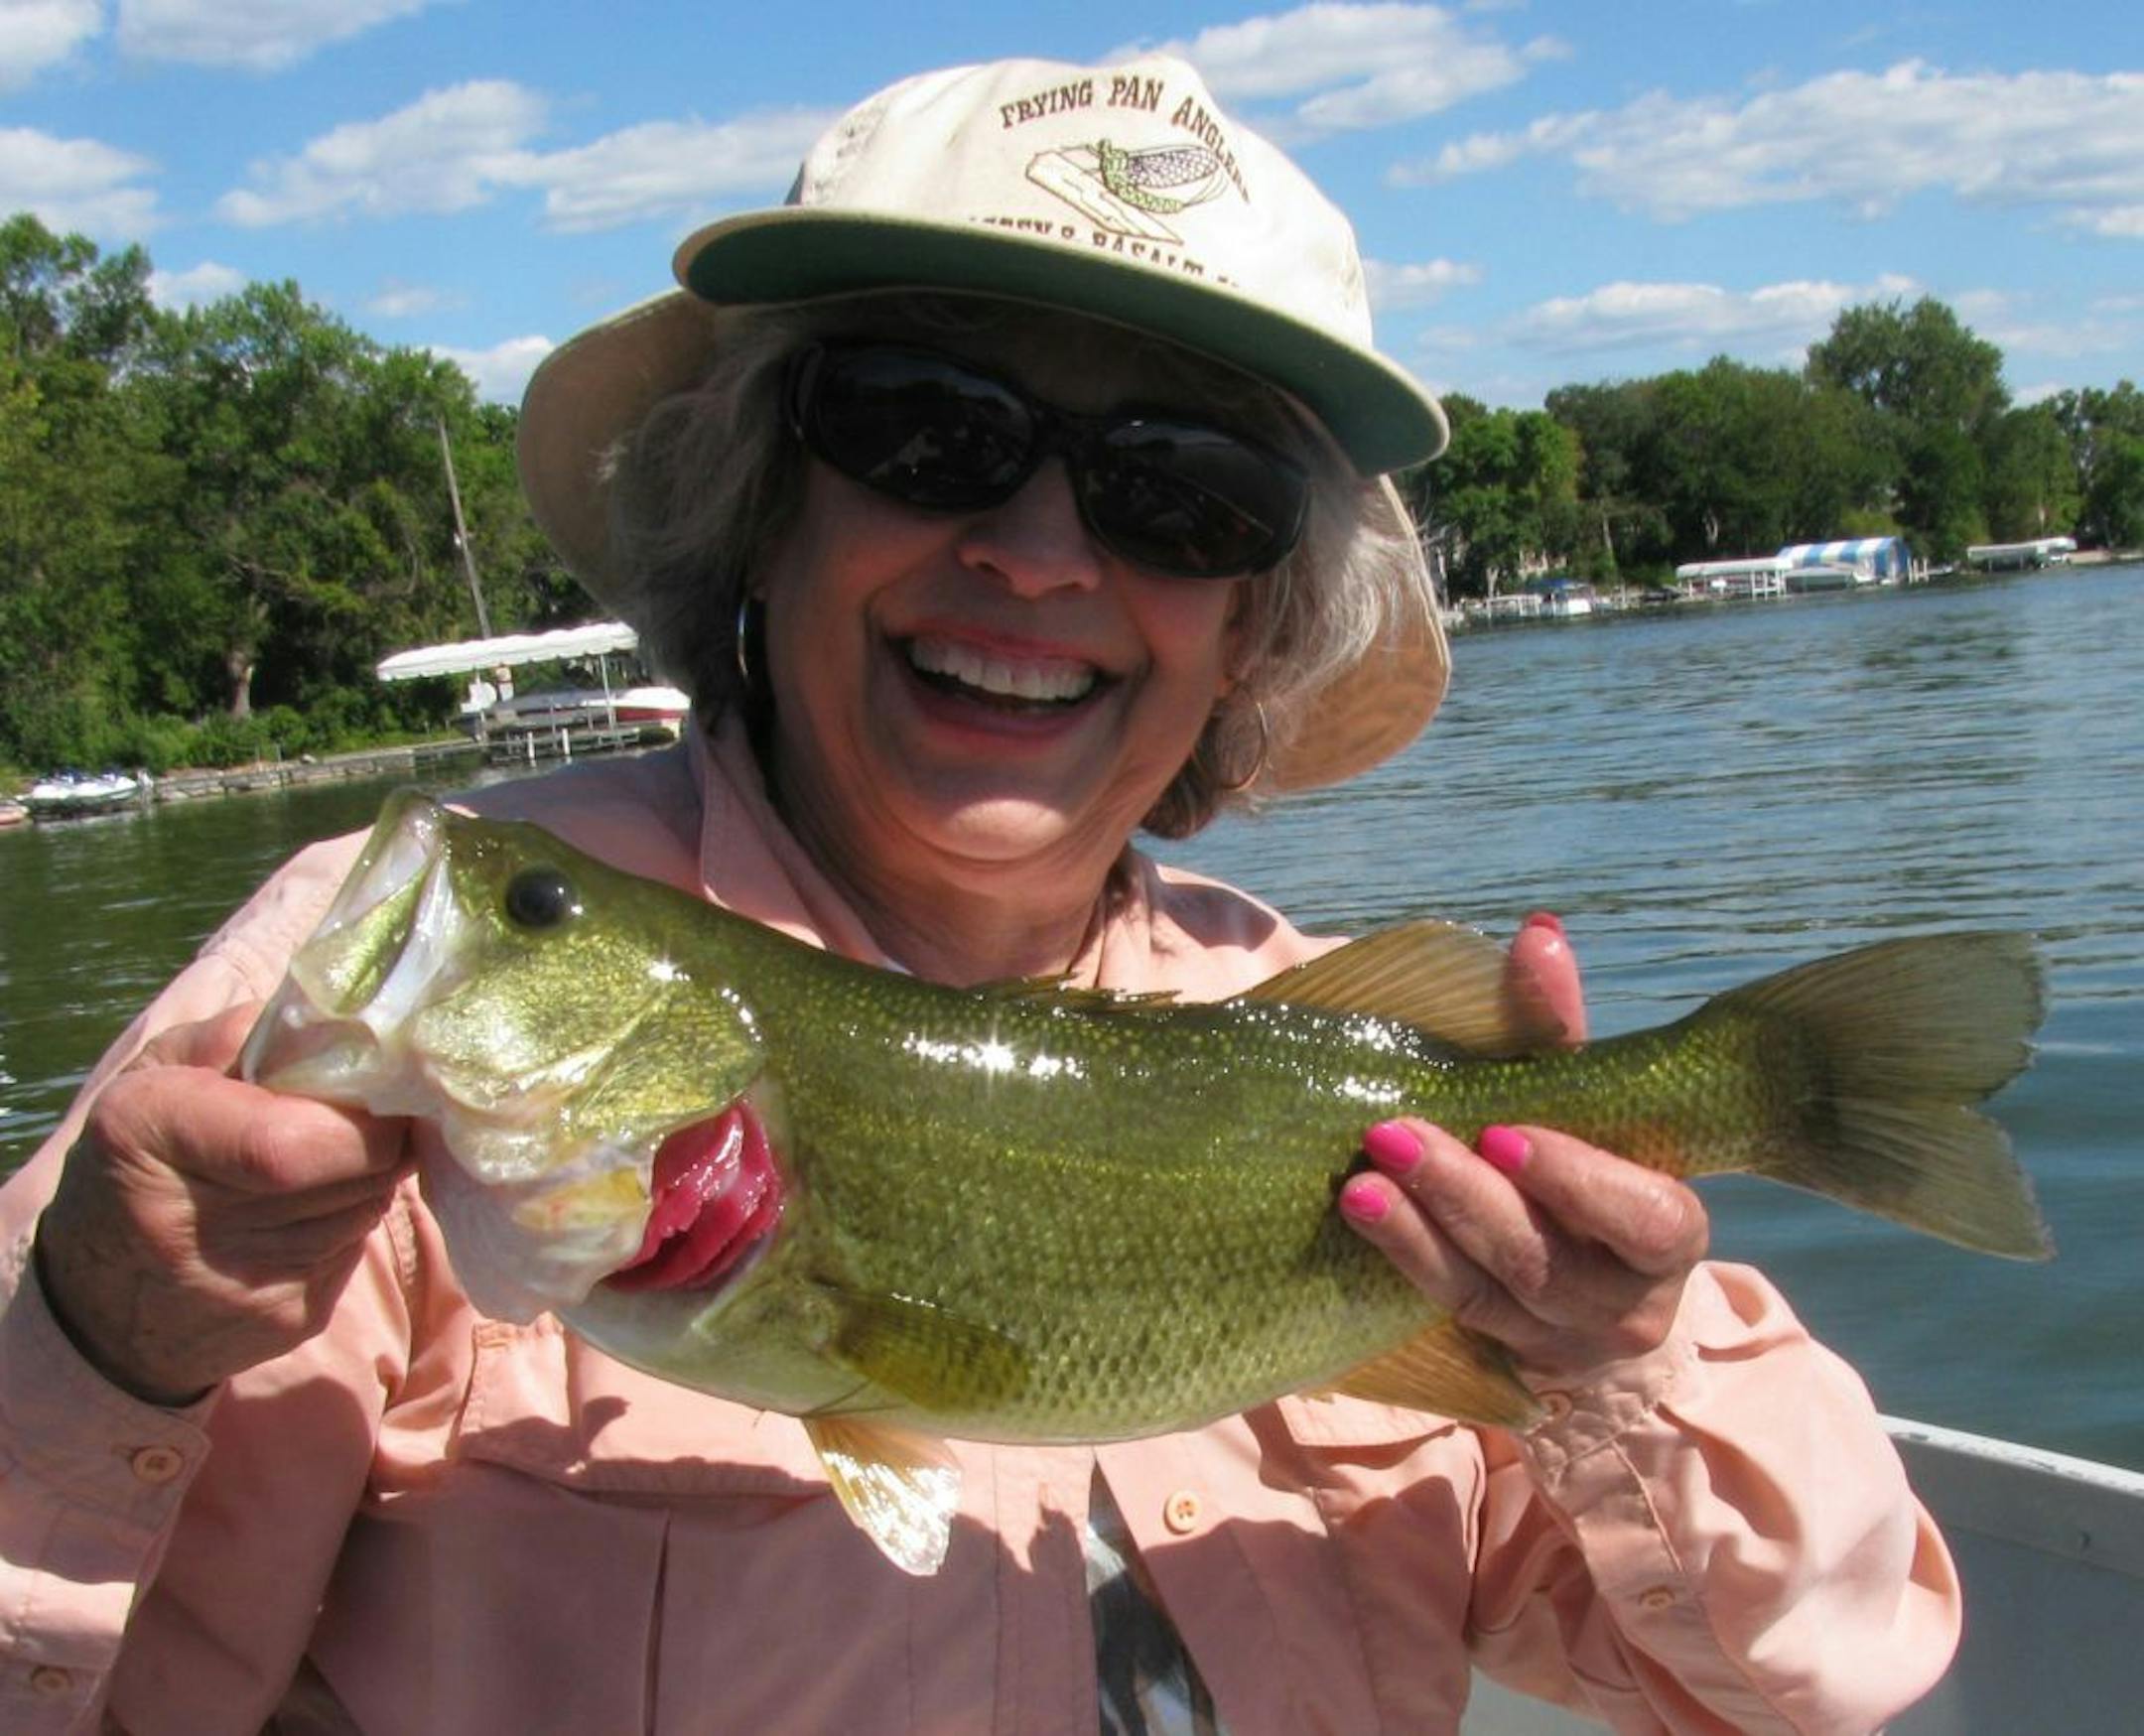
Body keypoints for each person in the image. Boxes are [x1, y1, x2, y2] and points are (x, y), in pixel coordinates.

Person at [0, 54, 1958, 1734]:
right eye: (926, 429)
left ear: (1252, 624)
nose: (1035, 550)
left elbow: (1815, 1679)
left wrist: (1616, 1354)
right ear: (762, 505)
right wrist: (99, 1349)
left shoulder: (1337, 1065)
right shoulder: (378, 1010)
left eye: (1178, 490)